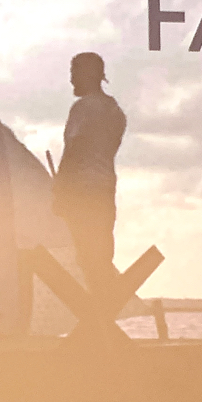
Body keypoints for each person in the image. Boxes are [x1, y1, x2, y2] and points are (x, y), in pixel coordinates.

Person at [53, 52, 127, 307]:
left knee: (87, 256)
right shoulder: (115, 111)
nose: (71, 80)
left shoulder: (84, 108)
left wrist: (60, 190)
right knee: (101, 255)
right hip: (105, 188)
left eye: (74, 73)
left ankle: (98, 319)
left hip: (82, 190)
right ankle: (103, 313)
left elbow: (74, 150)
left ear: (88, 75)